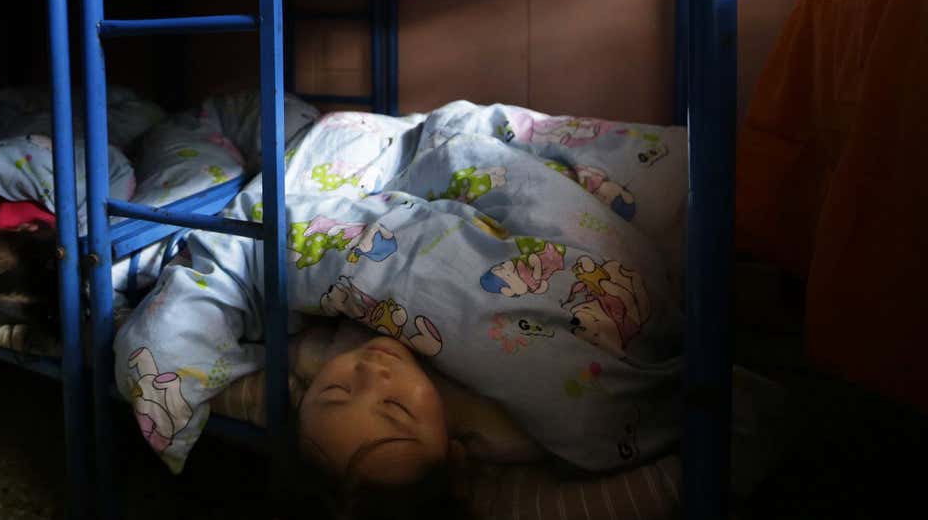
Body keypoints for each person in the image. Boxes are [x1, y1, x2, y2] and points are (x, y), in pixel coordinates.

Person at [116, 103, 686, 499]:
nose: (371, 373)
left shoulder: (320, 355)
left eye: (337, 390)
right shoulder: (513, 431)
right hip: (340, 156)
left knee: (189, 153)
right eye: (397, 408)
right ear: (456, 454)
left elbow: (293, 257)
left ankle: (148, 135)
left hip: (323, 160)